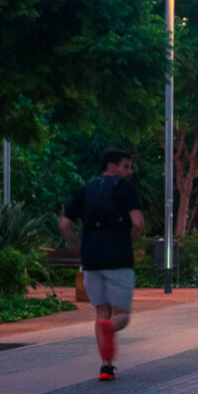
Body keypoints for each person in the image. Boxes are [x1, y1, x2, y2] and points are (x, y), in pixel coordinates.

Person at [60, 149, 144, 381]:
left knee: (101, 313)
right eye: (126, 166)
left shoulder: (85, 190)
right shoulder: (126, 189)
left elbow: (64, 224)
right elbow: (137, 222)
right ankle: (110, 331)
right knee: (121, 316)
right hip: (118, 257)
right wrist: (130, 239)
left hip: (91, 258)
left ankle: (106, 367)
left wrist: (76, 245)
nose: (130, 171)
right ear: (112, 166)